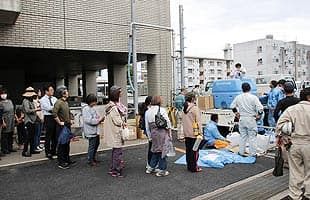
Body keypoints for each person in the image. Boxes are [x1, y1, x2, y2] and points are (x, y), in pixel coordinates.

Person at [276, 87, 310, 200]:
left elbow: (279, 124)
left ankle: (295, 195)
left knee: (295, 171)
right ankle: (308, 194)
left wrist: (283, 138)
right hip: (308, 144)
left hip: (294, 144)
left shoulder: (292, 109)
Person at [230, 83, 264, 157]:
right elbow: (261, 109)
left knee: (242, 136)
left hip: (242, 119)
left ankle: (241, 152)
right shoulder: (253, 97)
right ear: (250, 88)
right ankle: (253, 154)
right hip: (251, 119)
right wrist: (259, 115)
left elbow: (232, 106)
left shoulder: (238, 97)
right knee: (252, 137)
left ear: (242, 89)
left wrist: (236, 113)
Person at [145, 96, 172, 177]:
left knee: (155, 150)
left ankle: (150, 167)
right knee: (163, 151)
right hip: (162, 132)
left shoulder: (148, 111)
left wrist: (149, 137)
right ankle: (162, 170)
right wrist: (170, 133)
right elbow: (168, 122)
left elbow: (147, 127)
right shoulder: (162, 110)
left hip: (153, 133)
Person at [104, 86, 127, 177]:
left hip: (113, 132)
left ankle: (114, 167)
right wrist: (123, 121)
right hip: (116, 132)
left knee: (116, 151)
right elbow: (117, 121)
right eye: (120, 92)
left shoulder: (112, 105)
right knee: (117, 152)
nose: (121, 93)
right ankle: (115, 170)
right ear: (116, 94)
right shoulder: (113, 107)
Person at [53, 86, 74, 169]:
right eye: (66, 91)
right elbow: (54, 113)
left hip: (67, 125)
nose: (68, 92)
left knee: (67, 143)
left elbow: (69, 112)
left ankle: (67, 159)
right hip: (62, 126)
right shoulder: (58, 102)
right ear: (62, 93)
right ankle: (61, 162)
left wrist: (71, 118)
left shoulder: (66, 102)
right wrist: (59, 122)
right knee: (62, 144)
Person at [82, 94, 104, 166]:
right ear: (91, 101)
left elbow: (96, 117)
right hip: (91, 131)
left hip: (94, 131)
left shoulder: (92, 108)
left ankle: (93, 158)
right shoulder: (86, 109)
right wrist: (99, 120)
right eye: (94, 101)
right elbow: (89, 120)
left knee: (96, 144)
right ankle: (90, 160)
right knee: (92, 146)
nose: (96, 103)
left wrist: (98, 118)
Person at [182, 92, 202, 172]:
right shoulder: (195, 108)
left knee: (188, 150)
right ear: (193, 98)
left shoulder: (184, 108)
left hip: (186, 132)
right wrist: (201, 132)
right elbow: (198, 122)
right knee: (194, 151)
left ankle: (189, 166)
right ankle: (194, 167)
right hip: (194, 133)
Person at [22, 87, 41, 157]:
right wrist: (35, 109)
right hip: (28, 121)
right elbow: (27, 110)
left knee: (32, 136)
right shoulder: (25, 101)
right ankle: (25, 151)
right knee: (28, 137)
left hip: (33, 120)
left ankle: (32, 149)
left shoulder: (31, 100)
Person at [40, 84, 57, 159]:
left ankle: (54, 150)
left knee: (55, 135)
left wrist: (54, 108)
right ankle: (48, 152)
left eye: (53, 90)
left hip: (55, 117)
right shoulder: (42, 99)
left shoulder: (54, 98)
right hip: (48, 117)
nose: (52, 91)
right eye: (51, 90)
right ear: (46, 91)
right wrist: (54, 108)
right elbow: (48, 108)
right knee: (48, 136)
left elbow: (57, 107)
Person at [138, 96, 153, 168]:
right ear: (150, 102)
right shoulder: (148, 110)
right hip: (150, 130)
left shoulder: (145, 109)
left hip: (147, 130)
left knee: (151, 147)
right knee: (152, 147)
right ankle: (150, 164)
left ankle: (150, 163)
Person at [0, 88, 16, 154]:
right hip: (5, 120)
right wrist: (2, 122)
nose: (4, 95)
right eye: (2, 94)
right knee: (5, 135)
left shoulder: (10, 101)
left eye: (5, 93)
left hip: (11, 119)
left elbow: (13, 110)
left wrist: (15, 118)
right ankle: (4, 149)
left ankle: (10, 147)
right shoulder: (0, 103)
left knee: (10, 134)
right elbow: (0, 114)